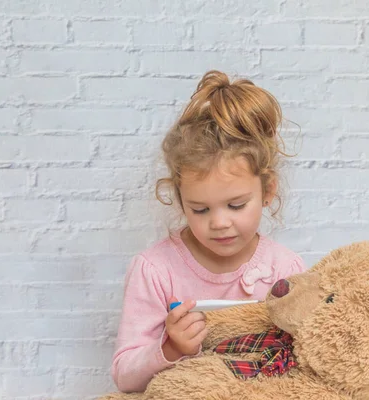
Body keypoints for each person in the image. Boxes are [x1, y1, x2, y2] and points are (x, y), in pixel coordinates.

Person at [111, 70, 306, 392]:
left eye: (236, 205)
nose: (219, 223)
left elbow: (307, 359)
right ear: (180, 200)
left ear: (268, 190)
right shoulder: (155, 269)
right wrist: (171, 349)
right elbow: (124, 376)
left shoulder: (285, 268)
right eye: (200, 209)